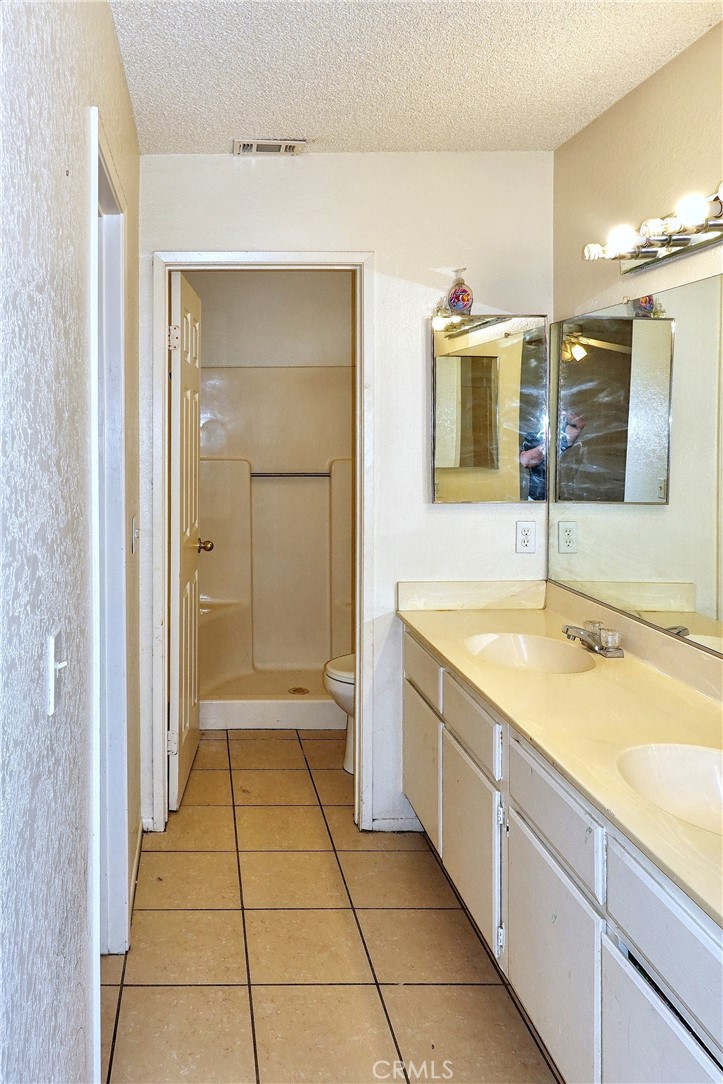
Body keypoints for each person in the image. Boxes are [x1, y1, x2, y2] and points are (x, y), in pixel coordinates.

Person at [520, 411, 586, 500]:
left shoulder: (561, 437)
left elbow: (580, 424)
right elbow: (526, 462)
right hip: (535, 496)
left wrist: (565, 413)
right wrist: (550, 442)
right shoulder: (532, 436)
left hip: (554, 495)